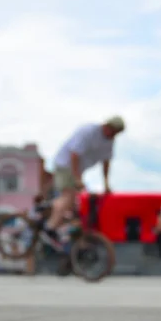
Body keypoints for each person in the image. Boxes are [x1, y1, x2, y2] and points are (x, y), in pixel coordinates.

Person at [45, 116, 126, 272]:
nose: (113, 135)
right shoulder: (88, 131)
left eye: (116, 133)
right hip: (65, 165)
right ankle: (50, 226)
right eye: (113, 131)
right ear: (106, 125)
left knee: (80, 203)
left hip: (78, 171)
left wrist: (106, 184)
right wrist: (76, 177)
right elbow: (74, 154)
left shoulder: (109, 141)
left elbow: (106, 162)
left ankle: (60, 223)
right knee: (68, 196)